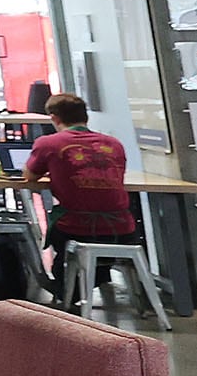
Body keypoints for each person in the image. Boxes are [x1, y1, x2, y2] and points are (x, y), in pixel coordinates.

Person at [25, 93, 135, 291]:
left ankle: (64, 288)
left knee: (58, 229)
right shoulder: (113, 144)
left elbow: (30, 175)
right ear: (86, 116)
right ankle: (97, 278)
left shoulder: (48, 143)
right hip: (122, 229)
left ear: (54, 118)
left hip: (76, 228)